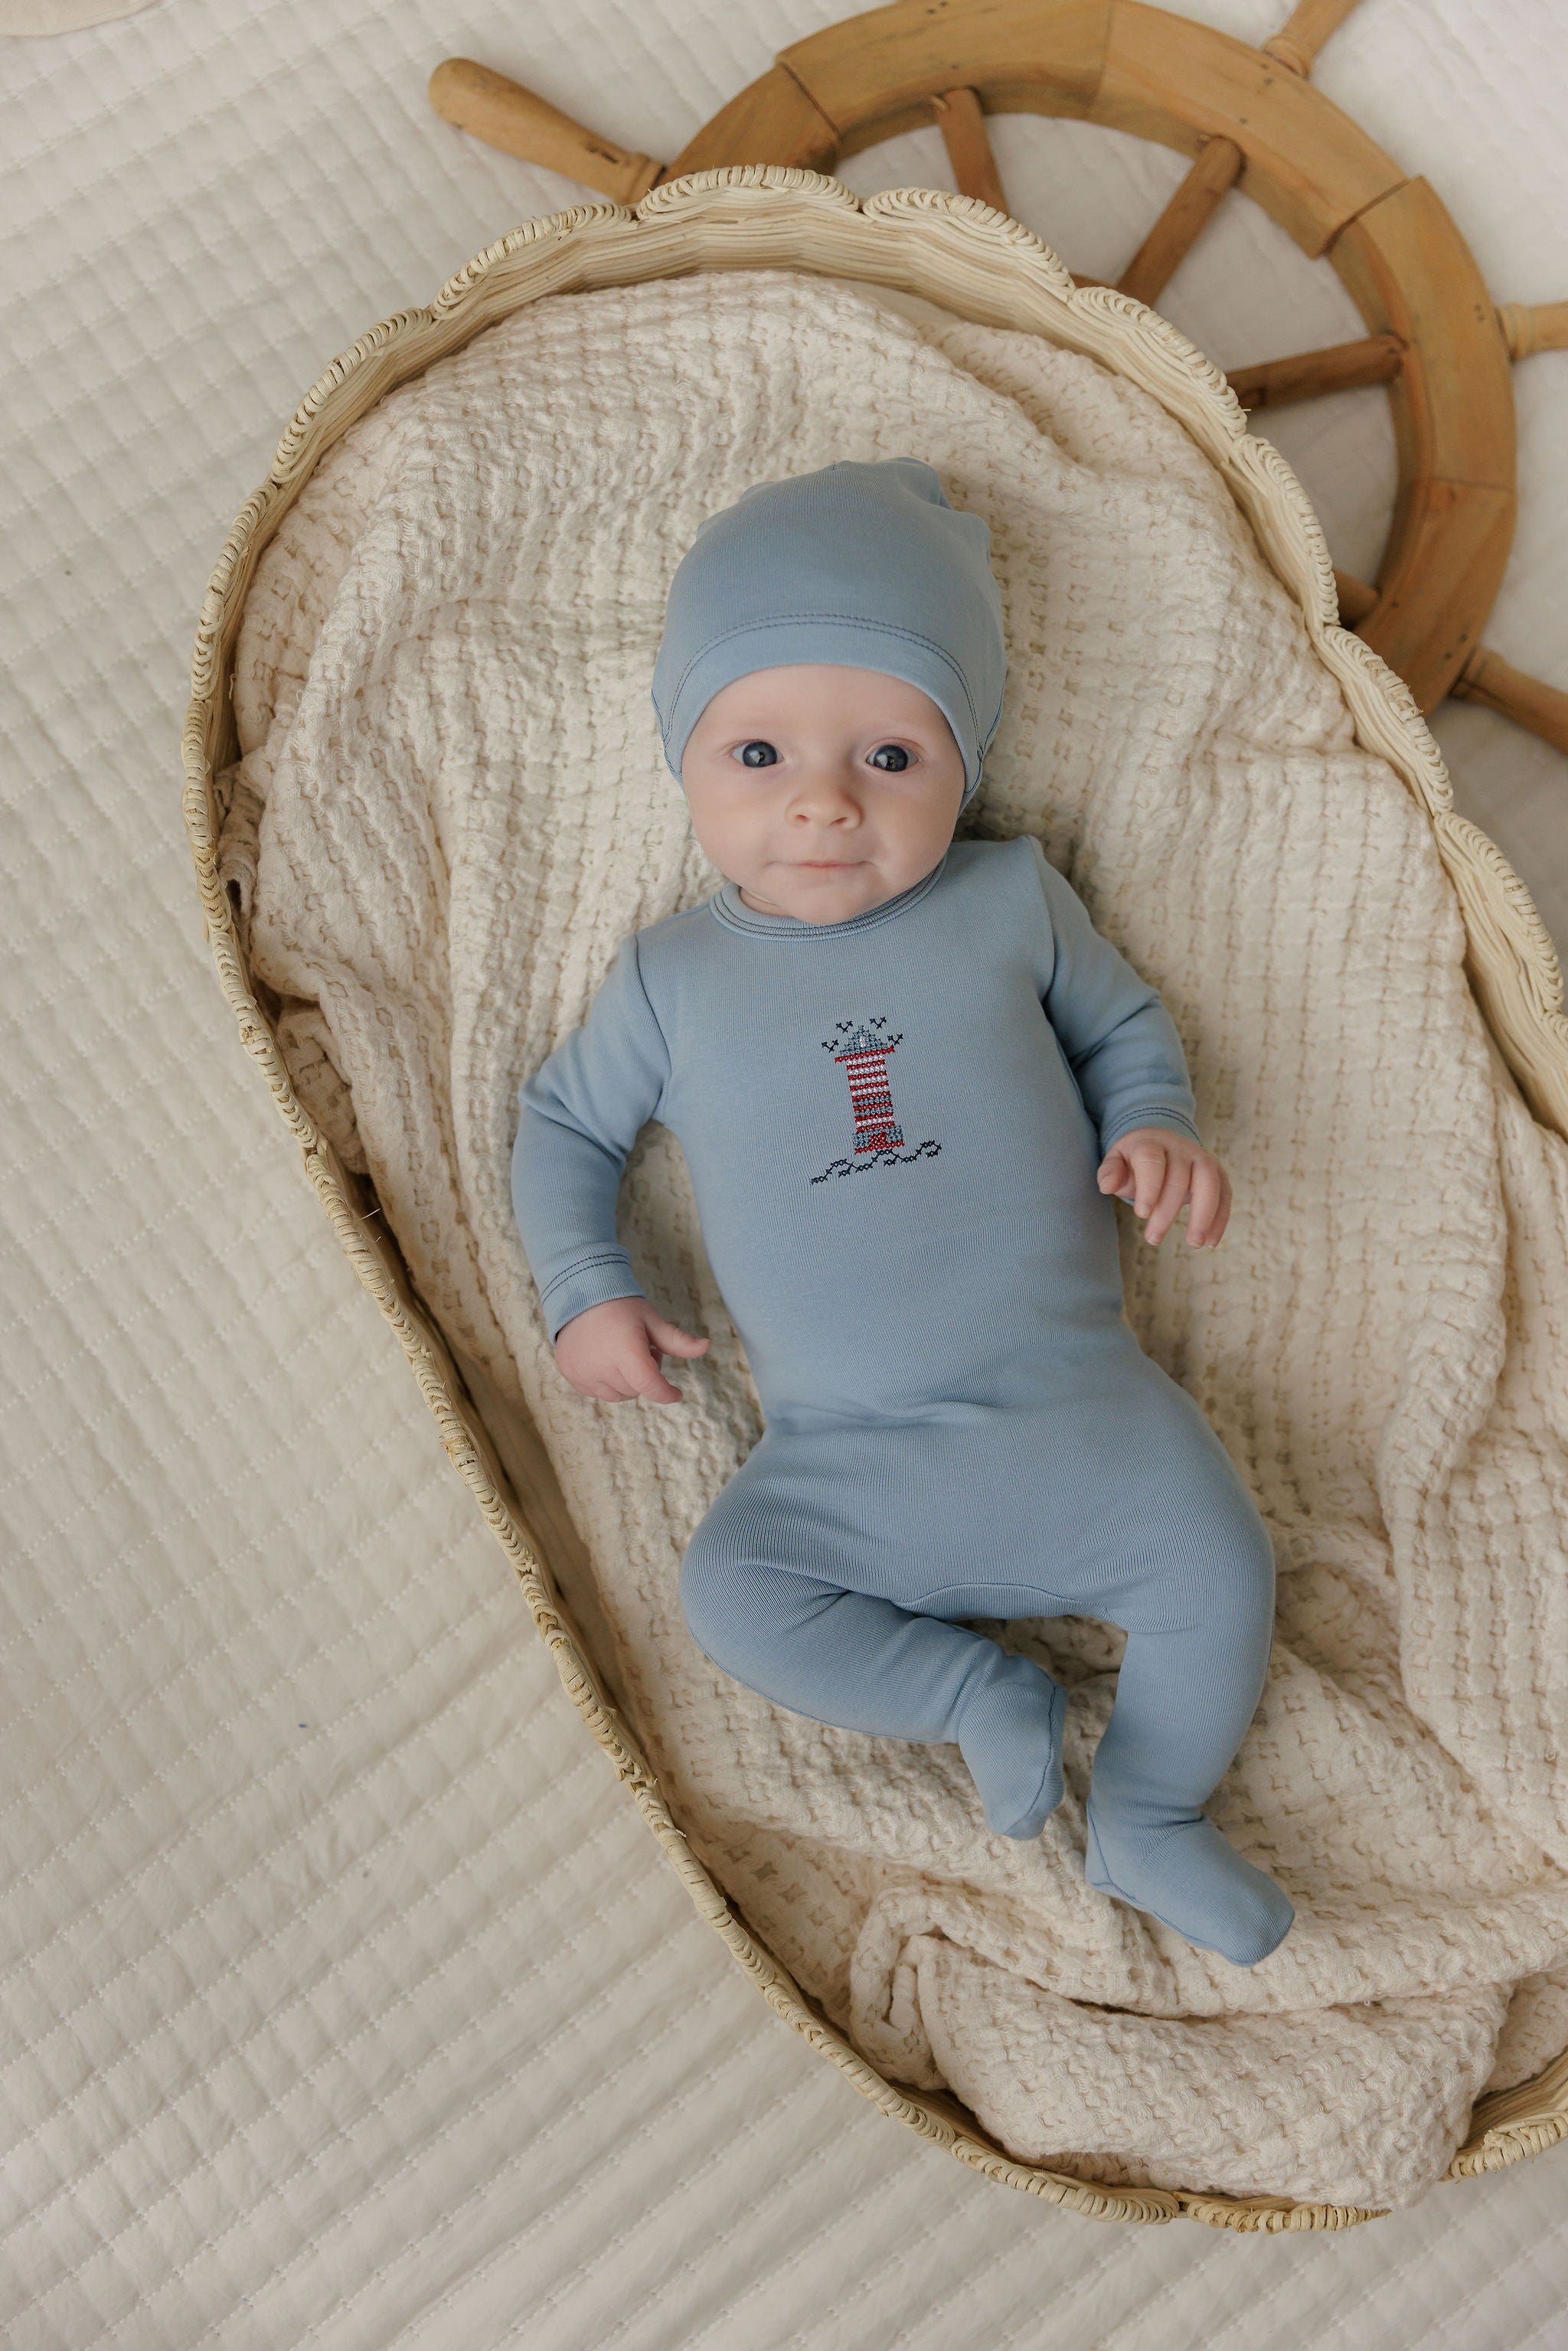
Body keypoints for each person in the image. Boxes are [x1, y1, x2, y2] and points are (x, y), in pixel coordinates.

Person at [511, 459, 1294, 1967]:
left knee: (1219, 1571)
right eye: (756, 753)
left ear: (964, 760)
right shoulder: (675, 979)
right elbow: (560, 1126)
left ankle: (1151, 1814)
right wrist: (584, 1284)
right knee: (731, 1594)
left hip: (1084, 1413)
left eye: (889, 755)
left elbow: (1124, 1028)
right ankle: (972, 1693)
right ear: (681, 756)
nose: (822, 802)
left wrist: (1157, 1125)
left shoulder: (1011, 900)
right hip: (845, 1460)